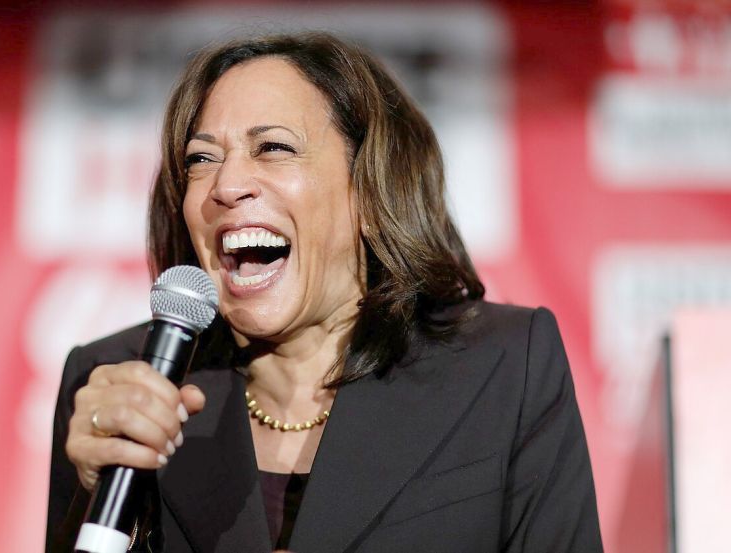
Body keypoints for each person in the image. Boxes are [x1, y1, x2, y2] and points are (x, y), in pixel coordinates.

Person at [46, 32, 603, 553]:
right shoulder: (117, 383)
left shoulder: (504, 368)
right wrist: (103, 490)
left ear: (370, 187)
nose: (225, 186)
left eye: (273, 148)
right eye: (201, 159)